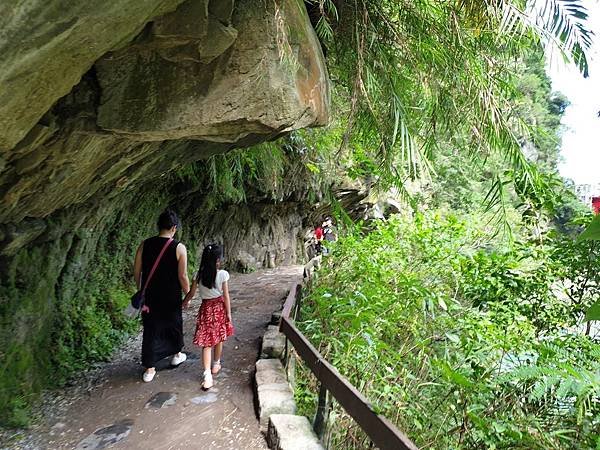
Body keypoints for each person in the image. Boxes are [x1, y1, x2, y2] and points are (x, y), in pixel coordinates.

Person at [133, 210, 190, 382]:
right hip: (171, 296)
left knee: (151, 328)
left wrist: (141, 289)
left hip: (150, 295)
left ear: (159, 226)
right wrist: (188, 293)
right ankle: (176, 355)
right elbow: (182, 276)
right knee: (173, 324)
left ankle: (149, 369)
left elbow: (137, 270)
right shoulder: (179, 247)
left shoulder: (145, 244)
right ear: (174, 228)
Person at [183, 244, 234, 390]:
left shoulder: (198, 275)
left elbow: (191, 294)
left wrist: (184, 302)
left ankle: (207, 375)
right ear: (218, 260)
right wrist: (229, 313)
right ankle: (216, 363)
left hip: (205, 309)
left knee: (207, 342)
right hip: (219, 309)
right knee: (219, 337)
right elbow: (226, 295)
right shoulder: (222, 274)